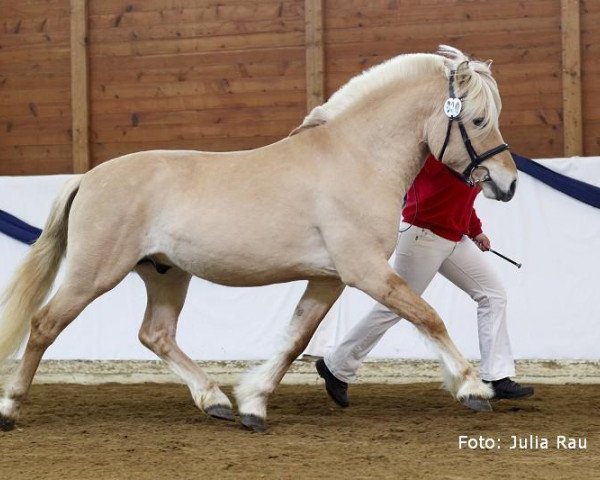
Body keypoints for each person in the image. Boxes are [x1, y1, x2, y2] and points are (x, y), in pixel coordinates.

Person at [316, 153, 533, 408]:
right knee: (393, 307)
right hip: (422, 237)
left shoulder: (470, 156)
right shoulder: (433, 155)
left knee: (493, 295)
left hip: (455, 240)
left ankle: (496, 377)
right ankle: (336, 366)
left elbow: (463, 202)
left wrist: (476, 231)